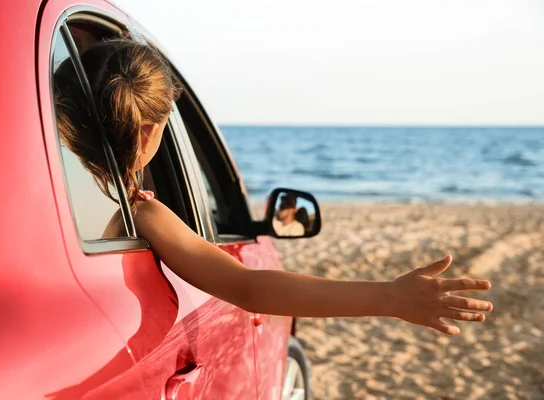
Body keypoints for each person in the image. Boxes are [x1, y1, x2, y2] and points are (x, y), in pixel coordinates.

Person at [54, 38, 493, 336]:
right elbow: (251, 289)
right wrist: (389, 296)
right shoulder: (143, 213)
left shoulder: (54, 191)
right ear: (150, 132)